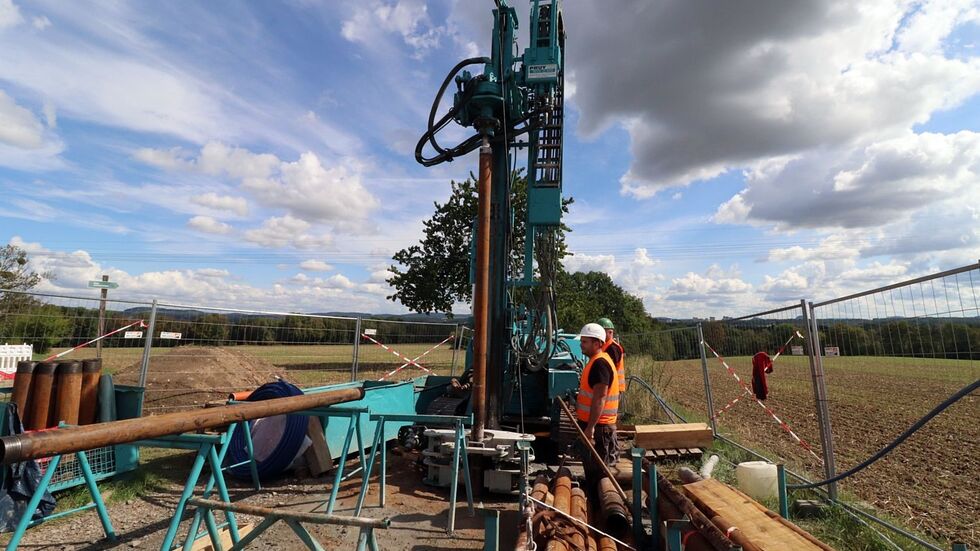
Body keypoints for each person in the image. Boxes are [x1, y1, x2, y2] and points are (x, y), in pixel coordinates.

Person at [575, 322, 620, 465]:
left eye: (585, 342)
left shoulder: (600, 364)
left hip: (600, 428)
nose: (581, 345)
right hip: (596, 426)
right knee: (591, 469)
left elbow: (600, 397)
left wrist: (590, 427)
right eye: (582, 341)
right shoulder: (595, 361)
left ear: (597, 343)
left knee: (598, 472)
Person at [597, 317, 626, 393]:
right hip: (611, 386)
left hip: (614, 387)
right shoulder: (605, 346)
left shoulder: (613, 348)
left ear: (610, 332)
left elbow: (609, 369)